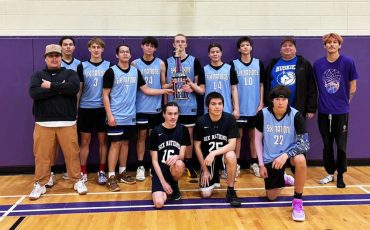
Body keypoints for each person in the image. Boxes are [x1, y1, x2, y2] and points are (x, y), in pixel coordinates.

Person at [102, 44, 173, 192]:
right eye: (122, 52)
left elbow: (146, 89)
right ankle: (111, 176)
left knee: (126, 144)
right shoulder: (111, 72)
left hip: (130, 115)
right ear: (117, 55)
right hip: (116, 115)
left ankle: (122, 172)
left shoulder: (135, 72)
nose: (125, 54)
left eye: (127, 52)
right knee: (115, 145)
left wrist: (164, 90)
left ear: (130, 54)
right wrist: (109, 114)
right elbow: (105, 95)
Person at [28, 44, 87, 200]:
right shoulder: (37, 74)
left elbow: (73, 88)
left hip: (67, 122)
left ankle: (77, 181)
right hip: (43, 124)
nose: (54, 59)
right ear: (45, 58)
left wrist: (50, 86)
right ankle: (40, 184)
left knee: (72, 155)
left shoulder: (70, 73)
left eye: (57, 56)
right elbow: (34, 92)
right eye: (50, 56)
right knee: (42, 156)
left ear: (61, 58)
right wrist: (60, 89)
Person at [265, 37, 317, 185]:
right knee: (278, 138)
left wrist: (311, 108)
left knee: (298, 139)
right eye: (285, 46)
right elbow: (267, 85)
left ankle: (297, 170)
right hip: (277, 110)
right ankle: (279, 171)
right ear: (281, 49)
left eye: (290, 46)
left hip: (297, 109)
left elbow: (311, 87)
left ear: (295, 49)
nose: (288, 48)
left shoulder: (303, 64)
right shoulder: (273, 64)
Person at [255, 85, 310, 222]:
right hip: (271, 158)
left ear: (288, 101)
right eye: (277, 99)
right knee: (271, 197)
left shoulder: (296, 115)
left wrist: (286, 155)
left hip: (288, 156)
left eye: (284, 99)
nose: (281, 102)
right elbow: (257, 140)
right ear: (272, 100)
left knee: (300, 159)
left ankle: (297, 201)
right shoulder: (263, 114)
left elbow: (305, 144)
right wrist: (261, 164)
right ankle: (283, 178)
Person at [313, 33, 358, 188]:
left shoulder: (348, 62)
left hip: (341, 111)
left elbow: (353, 86)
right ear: (324, 46)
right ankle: (330, 173)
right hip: (324, 111)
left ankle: (340, 175)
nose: (332, 45)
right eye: (329, 42)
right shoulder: (318, 64)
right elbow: (315, 87)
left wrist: (345, 102)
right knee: (327, 143)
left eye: (335, 42)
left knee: (340, 144)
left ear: (340, 45)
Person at [164, 34, 204, 179]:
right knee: (171, 135)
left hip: (188, 105)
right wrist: (171, 85)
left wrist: (191, 88)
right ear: (173, 45)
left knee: (188, 136)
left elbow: (198, 85)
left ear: (186, 44)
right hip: (172, 105)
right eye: (177, 42)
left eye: (182, 42)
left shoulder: (194, 61)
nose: (180, 44)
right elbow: (163, 85)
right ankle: (171, 163)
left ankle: (188, 163)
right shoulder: (167, 62)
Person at [193, 92, 241, 207]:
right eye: (213, 104)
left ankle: (230, 190)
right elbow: (197, 147)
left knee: (230, 155)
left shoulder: (229, 119)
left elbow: (232, 145)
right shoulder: (200, 122)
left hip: (223, 157)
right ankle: (213, 178)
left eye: (220, 104)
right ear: (207, 106)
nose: (217, 106)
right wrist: (204, 169)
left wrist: (213, 153)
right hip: (208, 161)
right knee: (205, 194)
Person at [47, 36, 82, 186]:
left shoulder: (79, 65)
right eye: (65, 45)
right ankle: (51, 173)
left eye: (70, 44)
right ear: (61, 48)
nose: (68, 47)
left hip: (69, 109)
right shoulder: (46, 69)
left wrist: (76, 107)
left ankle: (73, 174)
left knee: (71, 145)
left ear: (74, 47)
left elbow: (77, 88)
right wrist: (61, 87)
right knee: (51, 145)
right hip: (50, 112)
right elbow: (39, 89)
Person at [77, 37, 111, 185]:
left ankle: (102, 171)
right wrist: (76, 109)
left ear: (103, 49)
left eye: (99, 47)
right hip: (86, 108)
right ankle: (83, 171)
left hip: (103, 109)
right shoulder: (82, 66)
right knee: (85, 141)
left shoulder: (109, 66)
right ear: (89, 49)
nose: (96, 50)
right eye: (93, 47)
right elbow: (79, 90)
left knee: (103, 141)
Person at [132, 36, 166, 181]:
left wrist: (176, 84)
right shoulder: (135, 64)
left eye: (152, 46)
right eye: (147, 45)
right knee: (141, 137)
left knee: (155, 139)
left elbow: (163, 84)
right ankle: (140, 165)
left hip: (157, 108)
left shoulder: (160, 63)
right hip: (140, 107)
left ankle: (154, 165)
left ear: (155, 48)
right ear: (142, 46)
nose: (149, 48)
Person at [230, 36, 265, 178]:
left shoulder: (258, 63)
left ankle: (254, 163)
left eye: (247, 45)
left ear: (251, 48)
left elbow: (262, 85)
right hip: (240, 108)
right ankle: (236, 164)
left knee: (254, 136)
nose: (245, 47)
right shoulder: (233, 64)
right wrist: (236, 107)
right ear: (239, 49)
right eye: (242, 45)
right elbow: (233, 87)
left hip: (255, 107)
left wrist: (261, 103)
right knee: (238, 136)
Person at [150, 102, 190, 208]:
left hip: (173, 170)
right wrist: (163, 182)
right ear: (164, 114)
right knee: (159, 203)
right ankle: (164, 187)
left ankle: (174, 184)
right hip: (159, 173)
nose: (173, 117)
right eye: (170, 113)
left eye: (175, 114)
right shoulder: (155, 131)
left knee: (180, 163)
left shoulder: (183, 130)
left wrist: (177, 156)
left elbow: (182, 155)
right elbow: (154, 160)